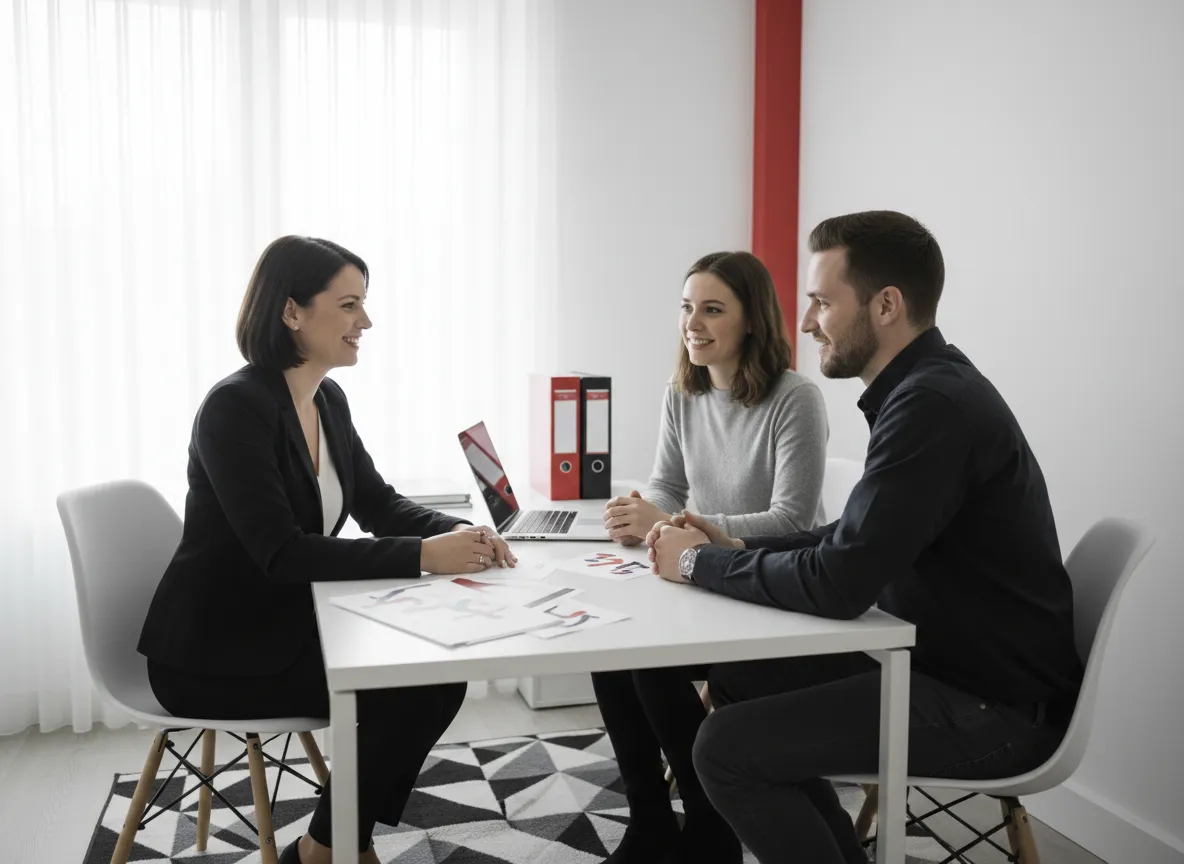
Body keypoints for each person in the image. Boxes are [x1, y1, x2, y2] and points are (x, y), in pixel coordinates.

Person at [646, 211, 1084, 864]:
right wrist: (737, 551)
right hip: (950, 665)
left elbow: (839, 583)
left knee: (723, 749)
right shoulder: (923, 392)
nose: (806, 322)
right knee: (739, 680)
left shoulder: (931, 408)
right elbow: (852, 539)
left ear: (885, 306)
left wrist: (699, 565)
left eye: (822, 301)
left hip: (992, 708)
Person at [137, 236, 518, 864]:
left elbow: (378, 504)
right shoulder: (235, 408)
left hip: (287, 624)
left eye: (363, 304)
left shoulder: (326, 400)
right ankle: (335, 846)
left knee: (437, 670)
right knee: (413, 681)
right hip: (217, 652)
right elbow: (282, 554)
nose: (365, 322)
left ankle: (328, 844)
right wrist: (426, 557)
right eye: (348, 305)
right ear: (292, 312)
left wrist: (459, 535)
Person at [594, 251, 829, 864]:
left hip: (774, 589)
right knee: (608, 647)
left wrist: (673, 526)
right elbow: (669, 484)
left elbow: (793, 522)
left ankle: (706, 821)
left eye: (712, 309)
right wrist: (641, 509)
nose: (693, 323)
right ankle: (649, 822)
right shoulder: (683, 391)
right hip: (709, 577)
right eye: (687, 308)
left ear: (751, 320)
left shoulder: (795, 398)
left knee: (645, 659)